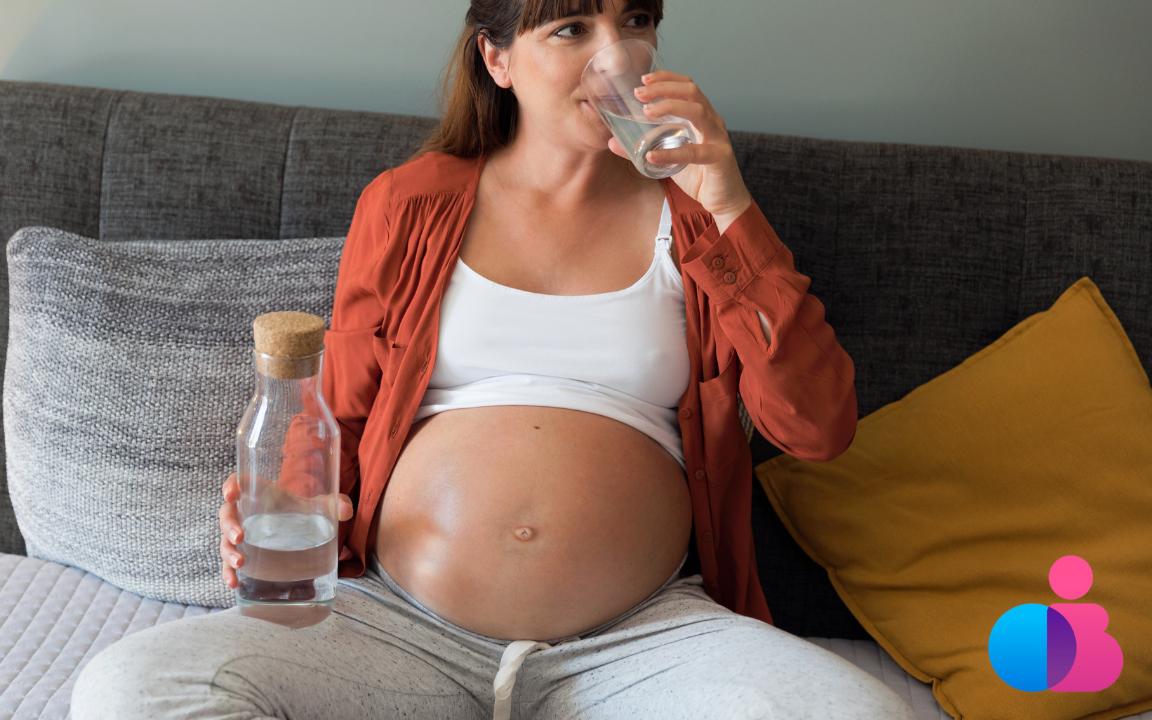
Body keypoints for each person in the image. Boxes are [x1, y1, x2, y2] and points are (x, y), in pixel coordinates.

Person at [71, 1, 919, 718]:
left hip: (641, 636)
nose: (614, 56)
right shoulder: (410, 203)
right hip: (397, 625)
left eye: (635, 23)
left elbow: (816, 427)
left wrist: (729, 203)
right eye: (570, 30)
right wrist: (287, 510)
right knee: (130, 687)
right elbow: (338, 413)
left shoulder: (698, 217)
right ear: (497, 57)